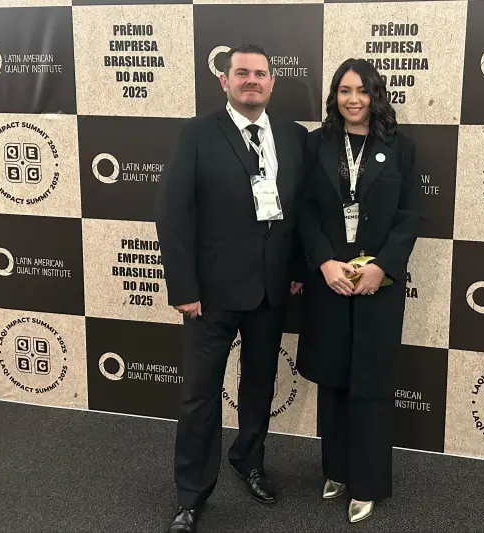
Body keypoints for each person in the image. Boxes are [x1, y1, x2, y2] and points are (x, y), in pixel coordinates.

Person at [155, 44, 308, 533]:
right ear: (224, 80)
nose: (251, 81)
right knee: (200, 397)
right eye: (242, 73)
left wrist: (298, 268)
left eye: (260, 74)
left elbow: (302, 209)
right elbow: (173, 214)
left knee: (259, 385)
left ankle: (249, 460)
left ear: (272, 82)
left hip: (270, 291)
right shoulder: (197, 134)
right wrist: (183, 286)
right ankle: (191, 494)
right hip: (210, 295)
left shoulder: (292, 136)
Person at [296, 58, 422, 523]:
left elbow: (411, 215)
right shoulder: (316, 144)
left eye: (362, 91)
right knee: (333, 376)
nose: (353, 99)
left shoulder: (400, 147)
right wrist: (324, 261)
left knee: (370, 382)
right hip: (330, 280)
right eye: (345, 90)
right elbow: (304, 210)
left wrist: (382, 266)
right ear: (334, 96)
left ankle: (367, 483)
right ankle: (336, 469)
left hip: (377, 285)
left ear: (375, 95)